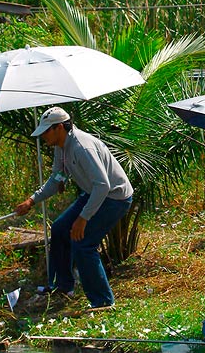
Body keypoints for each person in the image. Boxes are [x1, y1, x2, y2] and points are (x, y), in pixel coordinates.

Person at [15, 106, 133, 310]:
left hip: (115, 197)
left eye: (46, 132)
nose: (43, 137)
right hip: (93, 193)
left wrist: (83, 218)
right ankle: (64, 286)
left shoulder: (81, 147)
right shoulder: (61, 146)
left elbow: (103, 185)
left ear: (59, 127)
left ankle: (103, 302)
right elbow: (56, 178)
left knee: (83, 243)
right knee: (60, 229)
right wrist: (32, 201)